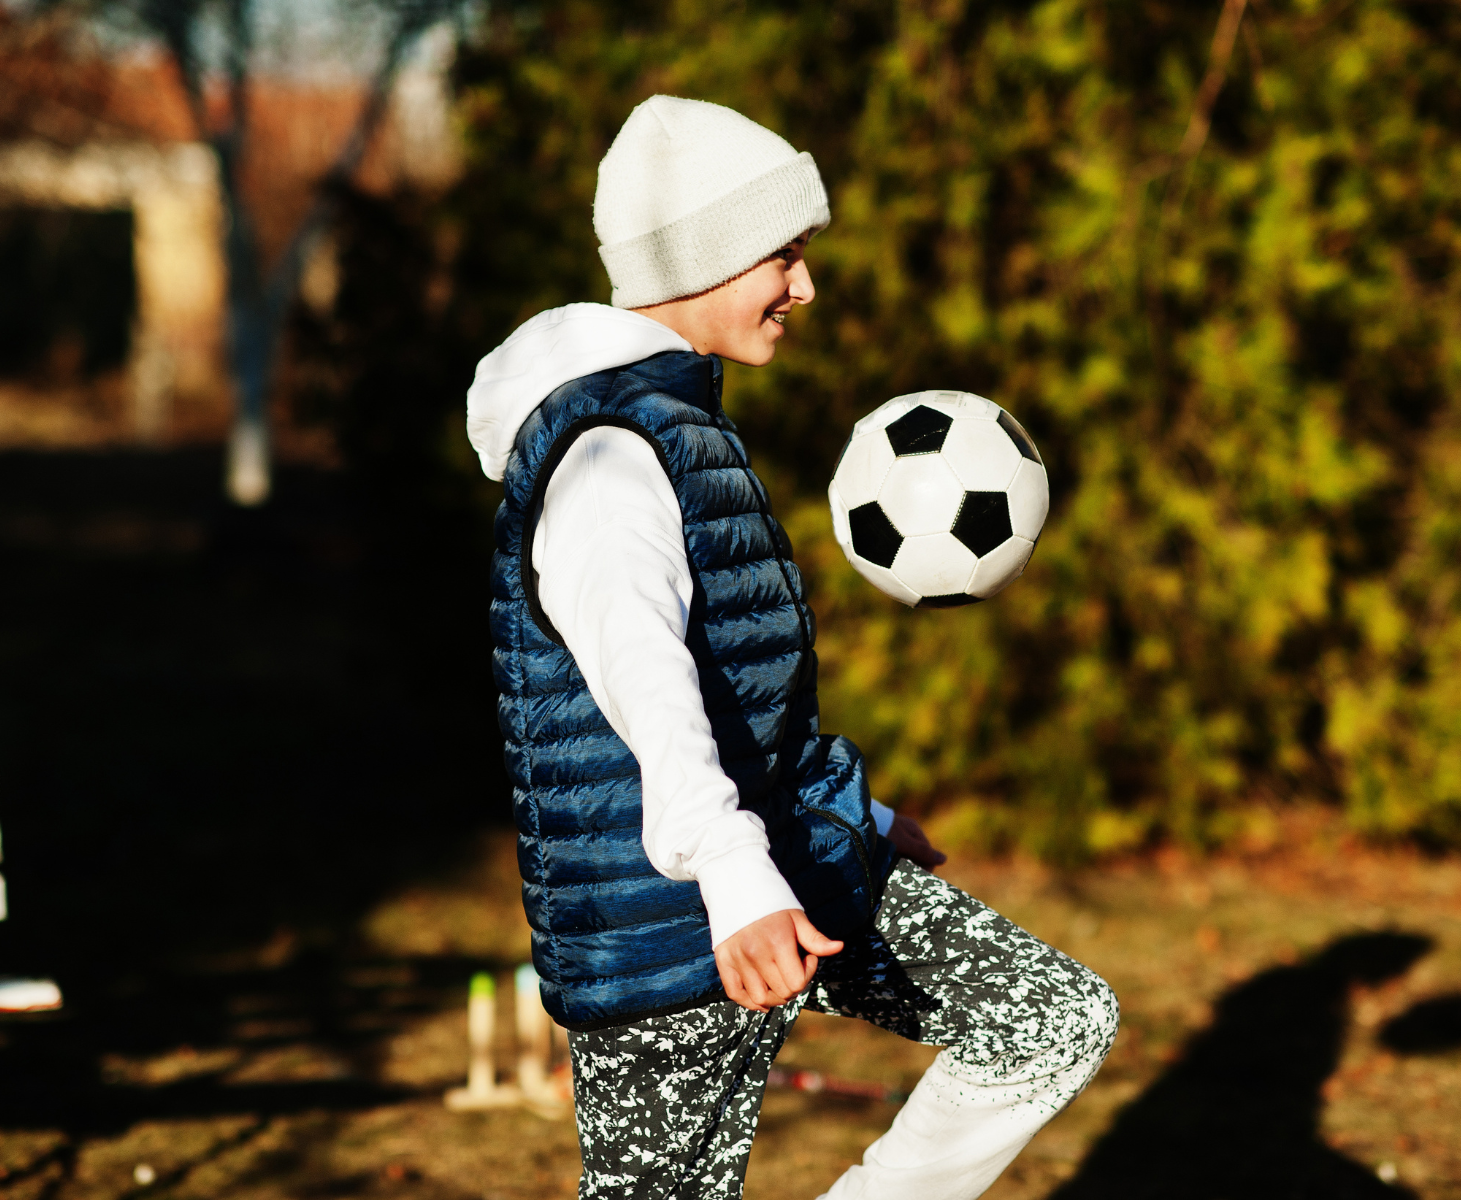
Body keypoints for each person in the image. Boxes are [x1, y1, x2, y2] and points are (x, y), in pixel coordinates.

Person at [466, 94, 1118, 1200]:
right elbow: (646, 681)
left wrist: (857, 818)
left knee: (1050, 1020)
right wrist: (732, 875)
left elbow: (742, 691)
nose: (805, 286)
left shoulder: (685, 427)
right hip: (674, 932)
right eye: (785, 254)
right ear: (705, 257)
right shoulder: (607, 456)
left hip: (793, 868)